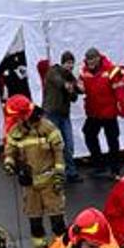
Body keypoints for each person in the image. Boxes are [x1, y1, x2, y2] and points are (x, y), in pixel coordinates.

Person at [2, 96, 68, 248]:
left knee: (58, 223)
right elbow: (10, 152)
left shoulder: (47, 128)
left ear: (24, 114)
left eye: (16, 117)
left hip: (50, 182)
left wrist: (59, 174)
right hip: (30, 184)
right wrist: (9, 164)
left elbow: (59, 152)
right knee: (35, 225)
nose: (15, 120)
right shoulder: (15, 131)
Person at [79, 48, 124, 178]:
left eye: (92, 59)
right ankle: (99, 164)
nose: (90, 62)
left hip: (108, 112)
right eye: (88, 60)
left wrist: (123, 108)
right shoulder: (84, 72)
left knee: (112, 140)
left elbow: (120, 91)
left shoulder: (112, 71)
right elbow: (81, 88)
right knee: (89, 134)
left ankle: (115, 169)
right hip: (93, 112)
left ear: (98, 58)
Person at [44, 51, 82, 182]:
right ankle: (55, 173)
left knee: (69, 144)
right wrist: (70, 86)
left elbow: (75, 97)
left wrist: (74, 90)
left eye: (72, 63)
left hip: (64, 115)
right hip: (51, 114)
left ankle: (71, 172)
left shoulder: (70, 77)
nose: (70, 65)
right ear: (63, 63)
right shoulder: (53, 71)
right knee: (55, 144)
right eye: (68, 63)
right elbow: (59, 82)